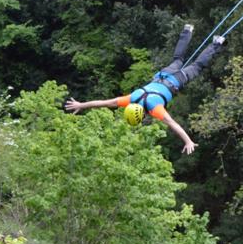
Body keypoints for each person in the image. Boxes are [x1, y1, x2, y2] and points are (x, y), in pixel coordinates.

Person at [64, 24, 224, 155]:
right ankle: (187, 31)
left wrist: (188, 141)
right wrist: (81, 105)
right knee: (178, 59)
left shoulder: (155, 109)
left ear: (142, 115)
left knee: (197, 66)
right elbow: (103, 103)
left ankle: (217, 42)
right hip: (163, 74)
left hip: (176, 80)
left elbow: (173, 124)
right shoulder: (131, 98)